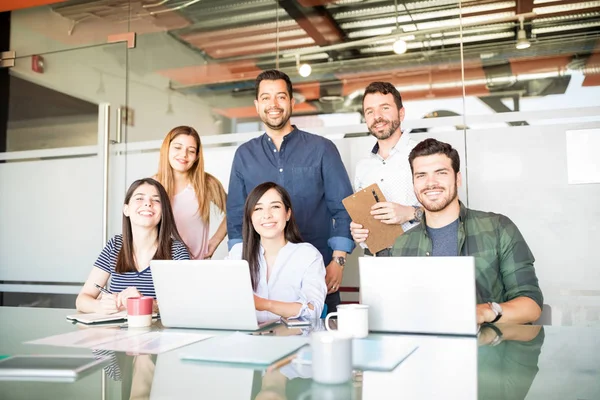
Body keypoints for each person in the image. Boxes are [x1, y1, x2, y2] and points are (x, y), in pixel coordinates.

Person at [226, 70, 354, 313]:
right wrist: (239, 270)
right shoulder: (244, 155)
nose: (273, 105)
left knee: (317, 331)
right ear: (256, 105)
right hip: (259, 279)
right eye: (265, 98)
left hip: (319, 272)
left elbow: (344, 208)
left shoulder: (322, 149)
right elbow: (235, 215)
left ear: (292, 102)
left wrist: (338, 262)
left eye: (280, 97)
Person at [391, 139, 543, 324]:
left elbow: (531, 305)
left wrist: (484, 312)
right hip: (425, 349)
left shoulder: (497, 228)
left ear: (458, 178)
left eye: (441, 173)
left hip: (489, 348)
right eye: (421, 175)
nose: (431, 183)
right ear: (414, 183)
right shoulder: (401, 245)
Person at [76, 178, 190, 314]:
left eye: (156, 200)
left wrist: (145, 303)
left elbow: (185, 302)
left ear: (163, 212)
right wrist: (100, 306)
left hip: (158, 333)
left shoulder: (177, 250)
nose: (148, 204)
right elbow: (81, 300)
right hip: (117, 333)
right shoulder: (115, 246)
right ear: (126, 210)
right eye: (139, 198)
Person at [228, 182, 327, 321]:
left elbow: (313, 310)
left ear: (288, 214)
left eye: (275, 206)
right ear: (250, 217)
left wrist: (265, 304)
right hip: (248, 339)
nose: (267, 215)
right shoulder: (237, 253)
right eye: (258, 209)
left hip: (294, 339)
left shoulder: (308, 255)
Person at [351, 82, 422, 256]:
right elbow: (363, 220)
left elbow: (450, 209)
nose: (377, 117)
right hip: (374, 259)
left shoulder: (424, 155)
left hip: (418, 254)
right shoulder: (362, 168)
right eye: (370, 111)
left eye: (384, 108)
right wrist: (357, 231)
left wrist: (411, 213)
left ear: (401, 113)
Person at [155, 126, 227, 260]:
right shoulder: (152, 185)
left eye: (191, 150)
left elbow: (235, 211)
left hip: (196, 267)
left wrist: (215, 241)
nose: (184, 155)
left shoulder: (207, 183)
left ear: (197, 156)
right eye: (178, 147)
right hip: (160, 265)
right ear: (167, 149)